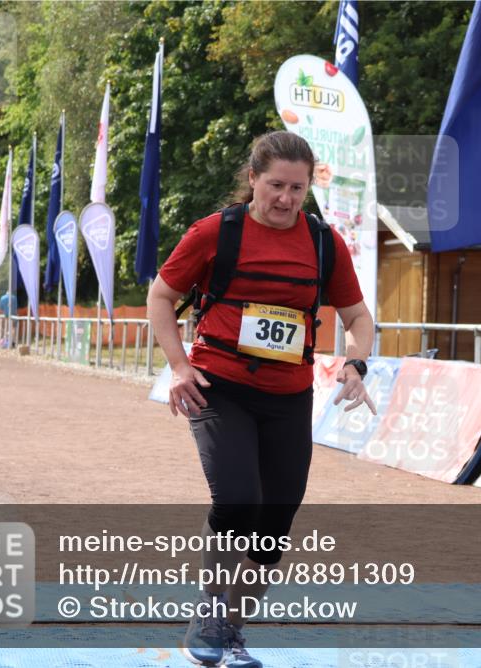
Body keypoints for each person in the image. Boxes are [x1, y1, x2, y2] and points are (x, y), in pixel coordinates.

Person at [146, 131, 376, 667]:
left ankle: (231, 628)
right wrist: (179, 367)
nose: (286, 199)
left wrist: (355, 362)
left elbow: (358, 318)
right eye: (275, 185)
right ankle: (207, 612)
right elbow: (161, 295)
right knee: (237, 501)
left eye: (297, 188)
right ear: (252, 178)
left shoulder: (323, 243)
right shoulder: (214, 233)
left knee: (275, 522)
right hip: (219, 386)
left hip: (287, 397)